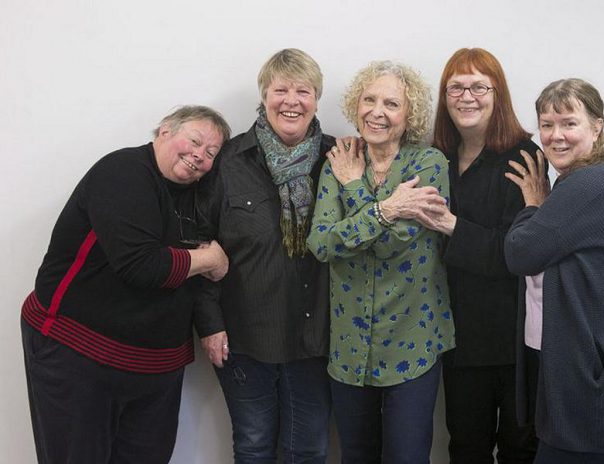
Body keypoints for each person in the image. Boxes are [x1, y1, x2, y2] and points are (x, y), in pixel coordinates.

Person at [20, 105, 231, 464]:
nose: (199, 155)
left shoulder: (201, 196)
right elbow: (142, 265)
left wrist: (210, 325)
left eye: (211, 153)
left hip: (155, 369)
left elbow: (187, 277)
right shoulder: (123, 172)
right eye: (194, 140)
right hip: (77, 353)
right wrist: (212, 259)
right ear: (164, 131)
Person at [306, 60, 455, 464]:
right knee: (357, 455)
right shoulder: (339, 160)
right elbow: (321, 243)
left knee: (406, 457)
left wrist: (356, 191)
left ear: (410, 115)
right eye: (369, 100)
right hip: (349, 348)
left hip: (413, 340)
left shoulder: (428, 164)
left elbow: (396, 244)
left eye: (391, 103)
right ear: (356, 105)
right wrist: (387, 208)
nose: (377, 111)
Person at [504, 78, 604, 464]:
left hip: (591, 379)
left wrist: (533, 206)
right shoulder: (588, 180)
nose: (556, 136)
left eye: (568, 123)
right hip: (591, 369)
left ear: (597, 125)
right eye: (547, 124)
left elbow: (520, 254)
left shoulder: (595, 183)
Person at [194, 49, 333, 463]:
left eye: (303, 91)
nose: (291, 100)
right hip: (244, 337)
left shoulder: (339, 161)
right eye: (281, 90)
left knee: (308, 449)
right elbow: (200, 246)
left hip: (317, 338)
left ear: (316, 99)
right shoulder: (227, 163)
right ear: (264, 95)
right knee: (253, 447)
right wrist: (210, 325)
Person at [417, 47, 542, 463]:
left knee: (519, 449)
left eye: (478, 86)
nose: (466, 96)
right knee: (466, 448)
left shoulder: (525, 157)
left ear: (498, 94)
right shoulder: (435, 159)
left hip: (515, 340)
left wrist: (452, 225)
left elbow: (518, 254)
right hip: (457, 337)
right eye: (456, 87)